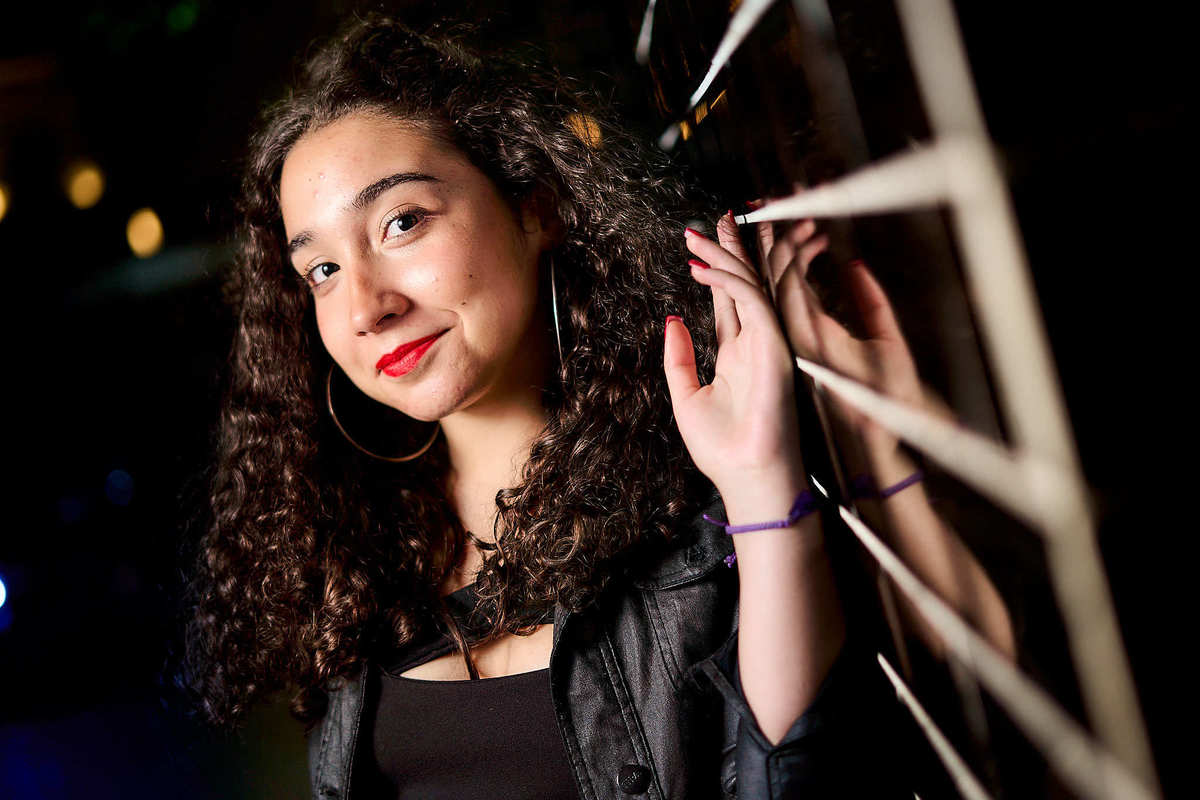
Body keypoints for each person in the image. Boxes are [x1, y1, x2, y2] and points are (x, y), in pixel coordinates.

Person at [180, 14, 1010, 799]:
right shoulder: (351, 567)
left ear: (532, 205)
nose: (365, 304)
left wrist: (817, 465)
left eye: (402, 222)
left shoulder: (703, 489)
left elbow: (936, 714)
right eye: (321, 270)